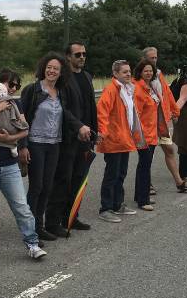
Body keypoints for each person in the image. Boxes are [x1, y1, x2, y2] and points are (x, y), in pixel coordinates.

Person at [0, 69, 47, 263]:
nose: (13, 88)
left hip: (10, 164)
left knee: (22, 207)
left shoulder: (16, 102)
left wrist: (9, 138)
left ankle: (32, 244)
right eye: (10, 84)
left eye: (16, 86)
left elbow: (24, 129)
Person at [19, 52, 90, 240]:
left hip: (54, 144)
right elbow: (21, 119)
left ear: (61, 73)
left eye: (55, 69)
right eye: (49, 67)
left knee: (48, 187)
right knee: (37, 187)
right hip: (35, 143)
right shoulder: (32, 90)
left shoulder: (60, 92)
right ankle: (30, 227)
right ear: (43, 69)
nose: (51, 71)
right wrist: (23, 146)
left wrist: (80, 126)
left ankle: (40, 226)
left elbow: (66, 114)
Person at [45, 42, 97, 237]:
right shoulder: (63, 80)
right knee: (62, 180)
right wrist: (77, 127)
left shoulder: (86, 76)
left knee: (79, 179)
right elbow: (62, 108)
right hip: (67, 138)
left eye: (84, 54)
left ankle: (71, 218)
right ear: (68, 57)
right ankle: (52, 222)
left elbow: (91, 107)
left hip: (86, 137)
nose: (82, 57)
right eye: (77, 54)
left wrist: (94, 133)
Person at [96, 60, 143, 223]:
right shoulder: (111, 90)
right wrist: (103, 132)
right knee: (112, 175)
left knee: (120, 174)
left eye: (129, 71)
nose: (129, 74)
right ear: (115, 74)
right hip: (113, 140)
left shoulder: (127, 89)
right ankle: (106, 208)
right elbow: (102, 112)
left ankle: (117, 204)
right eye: (124, 72)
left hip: (124, 139)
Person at [142, 47, 186, 192]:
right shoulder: (139, 76)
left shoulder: (159, 74)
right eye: (151, 58)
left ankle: (179, 182)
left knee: (169, 149)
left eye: (155, 58)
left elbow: (167, 94)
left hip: (161, 121)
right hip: (148, 123)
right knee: (148, 156)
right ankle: (146, 184)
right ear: (144, 59)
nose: (154, 61)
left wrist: (175, 111)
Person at [133, 59, 160, 211]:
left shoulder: (149, 88)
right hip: (144, 136)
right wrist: (140, 135)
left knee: (145, 165)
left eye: (151, 71)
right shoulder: (138, 89)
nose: (149, 73)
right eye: (146, 71)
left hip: (152, 134)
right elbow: (137, 114)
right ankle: (143, 200)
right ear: (140, 72)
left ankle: (141, 195)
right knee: (144, 166)